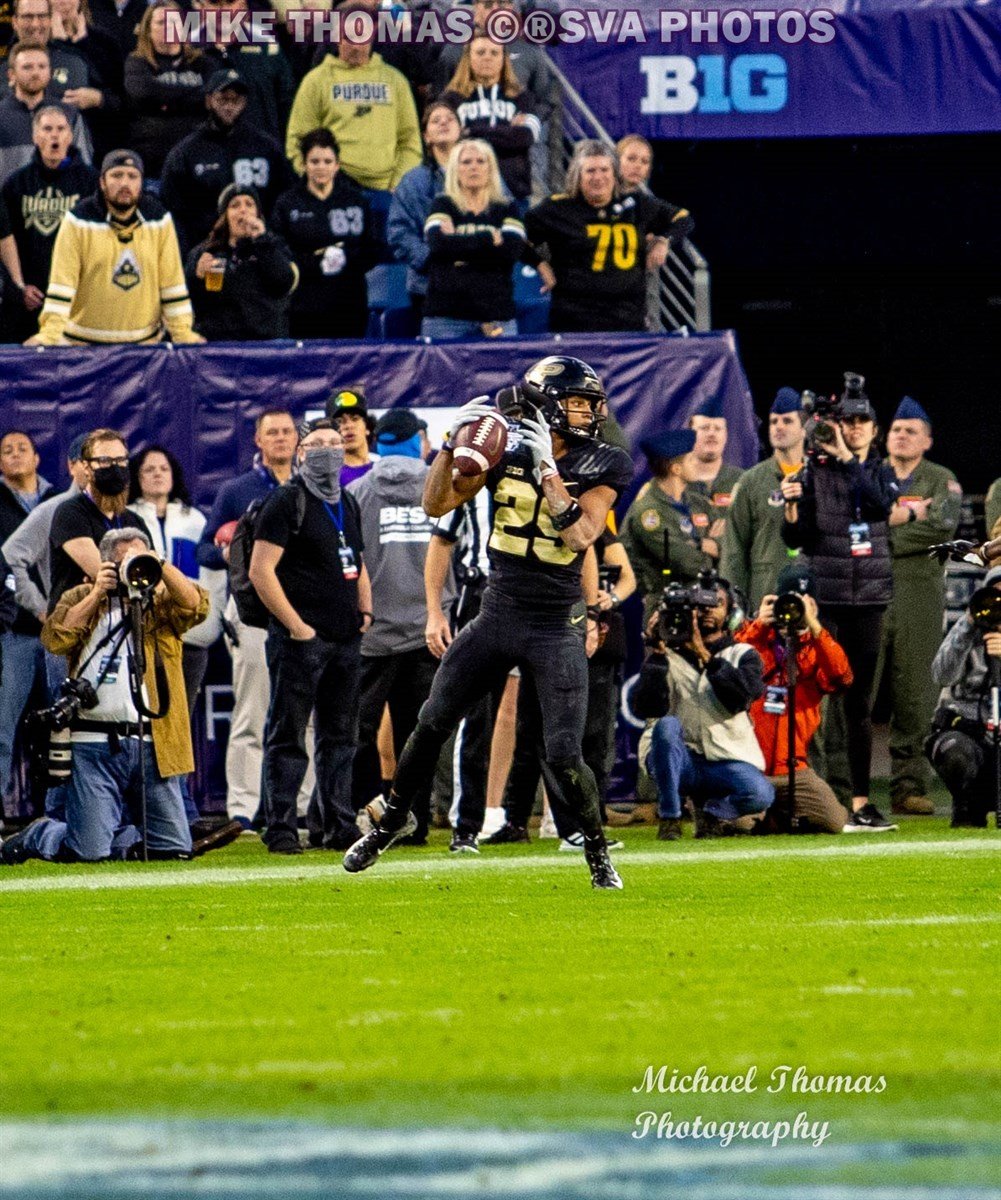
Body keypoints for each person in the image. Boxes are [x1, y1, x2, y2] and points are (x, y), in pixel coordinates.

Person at [342, 355, 633, 890]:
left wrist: (548, 472)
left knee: (564, 754)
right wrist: (449, 448)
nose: (589, 413)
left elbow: (580, 536)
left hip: (555, 621)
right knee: (432, 721)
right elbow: (436, 506)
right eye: (576, 402)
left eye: (589, 403)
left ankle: (596, 851)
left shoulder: (606, 460)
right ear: (548, 405)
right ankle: (389, 824)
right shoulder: (505, 447)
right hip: (498, 611)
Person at [0, 528, 218, 864]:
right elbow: (55, 638)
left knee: (173, 850)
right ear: (105, 565)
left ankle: (124, 839)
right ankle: (41, 833)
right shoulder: (81, 595)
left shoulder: (161, 603)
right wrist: (97, 593)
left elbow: (196, 606)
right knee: (88, 852)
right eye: (124, 562)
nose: (133, 568)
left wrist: (158, 564)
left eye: (140, 558)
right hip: (93, 743)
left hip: (154, 743)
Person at [249, 417, 372, 855]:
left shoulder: (348, 501)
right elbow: (260, 570)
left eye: (335, 443)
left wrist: (366, 609)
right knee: (288, 734)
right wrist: (297, 626)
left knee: (341, 738)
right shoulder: (286, 500)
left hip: (345, 636)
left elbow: (356, 560)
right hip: (300, 639)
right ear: (302, 453)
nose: (329, 450)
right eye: (318, 443)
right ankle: (281, 826)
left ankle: (337, 824)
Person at [781, 376, 899, 830]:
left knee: (858, 705)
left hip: (869, 599)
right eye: (847, 421)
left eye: (862, 421)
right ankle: (806, 796)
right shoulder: (816, 472)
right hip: (826, 600)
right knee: (810, 697)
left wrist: (849, 461)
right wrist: (791, 506)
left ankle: (861, 801)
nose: (854, 428)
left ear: (874, 429)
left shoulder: (881, 471)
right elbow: (797, 539)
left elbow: (880, 507)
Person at [197, 408, 311, 830]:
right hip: (253, 610)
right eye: (272, 432)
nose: (281, 438)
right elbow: (204, 549)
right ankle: (243, 808)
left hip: (303, 608)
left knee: (306, 714)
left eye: (287, 431)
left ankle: (303, 804)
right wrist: (228, 551)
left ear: (297, 439)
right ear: (258, 441)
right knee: (251, 710)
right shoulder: (237, 490)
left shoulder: (310, 486)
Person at [347, 408, 443, 842]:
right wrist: (442, 610)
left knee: (359, 731)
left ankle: (365, 813)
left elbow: (350, 561)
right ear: (418, 440)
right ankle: (414, 821)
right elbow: (456, 555)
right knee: (418, 732)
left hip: (371, 632)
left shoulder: (357, 493)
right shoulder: (439, 488)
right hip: (427, 628)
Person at [873, 396, 962, 817]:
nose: (902, 436)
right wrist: (911, 519)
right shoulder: (871, 475)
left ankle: (908, 786)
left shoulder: (941, 479)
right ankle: (843, 784)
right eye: (896, 429)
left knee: (915, 695)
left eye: (911, 431)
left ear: (927, 441)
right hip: (871, 595)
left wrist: (883, 531)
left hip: (919, 598)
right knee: (856, 692)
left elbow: (942, 528)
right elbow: (854, 524)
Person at [635, 574, 773, 840]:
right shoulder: (667, 655)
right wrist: (656, 657)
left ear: (731, 613)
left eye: (716, 603)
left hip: (724, 758)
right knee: (666, 725)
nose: (707, 610)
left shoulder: (743, 654)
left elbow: (740, 699)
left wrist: (705, 656)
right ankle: (670, 817)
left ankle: (712, 813)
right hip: (680, 758)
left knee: (760, 794)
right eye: (699, 605)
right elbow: (647, 708)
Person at [30, 148, 201, 345]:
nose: (125, 183)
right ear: (102, 182)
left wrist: (182, 333)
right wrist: (49, 335)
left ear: (141, 183)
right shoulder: (77, 221)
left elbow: (172, 283)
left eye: (132, 176)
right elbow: (62, 285)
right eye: (117, 175)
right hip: (82, 347)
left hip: (143, 347)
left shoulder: (159, 220)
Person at [735, 564, 859, 835]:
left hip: (794, 767)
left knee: (835, 821)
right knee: (736, 825)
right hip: (750, 765)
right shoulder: (755, 638)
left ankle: (772, 816)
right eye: (787, 602)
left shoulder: (817, 647)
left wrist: (814, 627)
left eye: (801, 604)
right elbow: (729, 664)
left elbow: (842, 677)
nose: (792, 612)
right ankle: (766, 814)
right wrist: (759, 624)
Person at [127, 446, 222, 789]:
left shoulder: (195, 520)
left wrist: (208, 626)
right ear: (137, 478)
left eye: (163, 468)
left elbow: (211, 581)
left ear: (174, 475)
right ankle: (145, 795)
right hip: (143, 637)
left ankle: (180, 798)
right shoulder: (129, 519)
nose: (157, 474)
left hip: (190, 638)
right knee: (144, 719)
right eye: (149, 469)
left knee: (181, 719)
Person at [525, 140, 693, 333]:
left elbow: (683, 219)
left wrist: (663, 241)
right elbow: (516, 236)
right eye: (590, 171)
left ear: (615, 174)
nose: (598, 177)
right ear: (577, 175)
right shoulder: (558, 208)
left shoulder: (638, 205)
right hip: (574, 323)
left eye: (604, 170)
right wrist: (540, 264)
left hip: (628, 321)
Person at [285, 2, 421, 219]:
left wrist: (399, 183)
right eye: (349, 36)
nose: (356, 46)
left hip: (386, 192)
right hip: (334, 191)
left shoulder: (395, 81)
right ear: (337, 35)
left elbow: (410, 140)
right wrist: (313, 179)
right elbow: (298, 139)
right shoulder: (316, 81)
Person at [160, 68, 296, 258]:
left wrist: (270, 239)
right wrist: (191, 255)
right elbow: (173, 209)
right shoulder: (186, 152)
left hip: (259, 248)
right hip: (207, 251)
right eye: (223, 99)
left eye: (236, 100)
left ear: (245, 102)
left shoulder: (266, 147)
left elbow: (285, 198)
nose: (230, 106)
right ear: (209, 101)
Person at [421, 139, 535, 341]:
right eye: (466, 162)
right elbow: (438, 245)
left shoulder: (508, 207)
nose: (473, 167)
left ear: (491, 168)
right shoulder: (442, 204)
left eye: (481, 161)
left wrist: (458, 245)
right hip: (446, 318)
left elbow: (511, 252)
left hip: (497, 317)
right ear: (455, 169)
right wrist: (488, 239)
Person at [1, 102, 97, 338]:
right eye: (47, 129)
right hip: (30, 294)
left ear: (70, 136)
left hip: (78, 293)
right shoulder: (16, 183)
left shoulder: (91, 182)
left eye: (61, 129)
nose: (54, 135)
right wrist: (19, 288)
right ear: (35, 137)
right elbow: (5, 237)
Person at [271, 127, 375, 340]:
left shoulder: (356, 201)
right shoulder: (287, 204)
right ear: (304, 164)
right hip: (304, 308)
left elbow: (373, 248)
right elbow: (279, 252)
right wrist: (315, 263)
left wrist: (346, 258)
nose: (321, 167)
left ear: (337, 165)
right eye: (314, 161)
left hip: (350, 305)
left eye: (328, 161)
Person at [0, 429, 57, 811]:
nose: (16, 454)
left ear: (37, 458)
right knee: (2, 731)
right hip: (12, 635)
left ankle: (58, 815)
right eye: (7, 450)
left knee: (61, 732)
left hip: (60, 637)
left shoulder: (59, 502)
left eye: (23, 448)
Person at [927, 566, 1001, 828]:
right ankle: (967, 806)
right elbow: (941, 675)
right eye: (993, 597)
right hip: (970, 735)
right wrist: (968, 624)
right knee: (956, 754)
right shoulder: (968, 629)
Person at [720, 388, 806, 613]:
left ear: (804, 428)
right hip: (766, 596)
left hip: (812, 597)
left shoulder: (820, 476)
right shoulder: (751, 482)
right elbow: (734, 549)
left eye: (787, 421)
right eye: (774, 421)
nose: (779, 427)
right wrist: (734, 603)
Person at [48, 427, 150, 612]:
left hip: (127, 623)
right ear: (86, 467)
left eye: (120, 460)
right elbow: (104, 575)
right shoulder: (70, 512)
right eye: (104, 461)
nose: (115, 467)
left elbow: (153, 576)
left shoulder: (135, 520)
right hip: (78, 623)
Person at [621, 428, 715, 619]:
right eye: (691, 459)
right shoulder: (648, 512)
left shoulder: (698, 502)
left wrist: (710, 546)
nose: (697, 463)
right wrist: (706, 548)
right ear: (676, 469)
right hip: (667, 607)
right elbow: (685, 562)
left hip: (705, 601)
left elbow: (725, 539)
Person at [186, 181, 297, 341]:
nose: (243, 210)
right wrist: (197, 277)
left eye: (249, 204)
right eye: (235, 205)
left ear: (258, 213)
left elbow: (284, 284)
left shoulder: (272, 245)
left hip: (265, 344)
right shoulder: (207, 253)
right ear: (224, 216)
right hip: (221, 344)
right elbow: (194, 303)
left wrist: (262, 241)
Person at [439, 33, 539, 209]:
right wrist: (507, 132)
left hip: (513, 191)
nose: (487, 57)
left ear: (503, 59)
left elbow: (525, 137)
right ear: (468, 57)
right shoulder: (450, 99)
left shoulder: (522, 97)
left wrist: (471, 131)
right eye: (480, 52)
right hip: (464, 192)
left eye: (494, 53)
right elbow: (449, 141)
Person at [123, 1, 218, 182]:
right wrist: (193, 98)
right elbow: (142, 92)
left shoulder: (203, 62)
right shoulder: (137, 62)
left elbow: (213, 97)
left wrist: (164, 102)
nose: (169, 27)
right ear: (147, 31)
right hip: (152, 166)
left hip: (198, 162)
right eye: (161, 22)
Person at [386, 100, 461, 323]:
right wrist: (432, 260)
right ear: (426, 136)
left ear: (461, 130)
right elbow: (399, 233)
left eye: (450, 119)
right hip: (428, 287)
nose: (443, 123)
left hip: (479, 285)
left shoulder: (483, 172)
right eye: (436, 120)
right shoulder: (412, 181)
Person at [190, 0, 295, 144]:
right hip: (204, 150)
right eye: (215, 3)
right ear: (202, 7)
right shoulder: (188, 48)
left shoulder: (266, 45)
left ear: (243, 6)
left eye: (230, 2)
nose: (223, 10)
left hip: (260, 149)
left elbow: (287, 103)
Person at [0, 42, 91, 185]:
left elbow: (82, 167)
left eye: (42, 66)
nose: (35, 73)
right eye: (27, 67)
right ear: (12, 75)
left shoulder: (69, 114)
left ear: (50, 72)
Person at [49, 0, 124, 159]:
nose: (63, 2)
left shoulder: (105, 42)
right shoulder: (34, 40)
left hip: (98, 143)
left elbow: (124, 100)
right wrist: (61, 44)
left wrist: (100, 99)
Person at [684, 396, 744, 530]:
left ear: (725, 435)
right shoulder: (672, 483)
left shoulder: (744, 482)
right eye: (704, 428)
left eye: (718, 428)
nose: (711, 433)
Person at [325, 386, 375, 487]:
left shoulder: (383, 470)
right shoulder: (326, 478)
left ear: (367, 427)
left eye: (355, 419)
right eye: (339, 421)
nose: (348, 426)